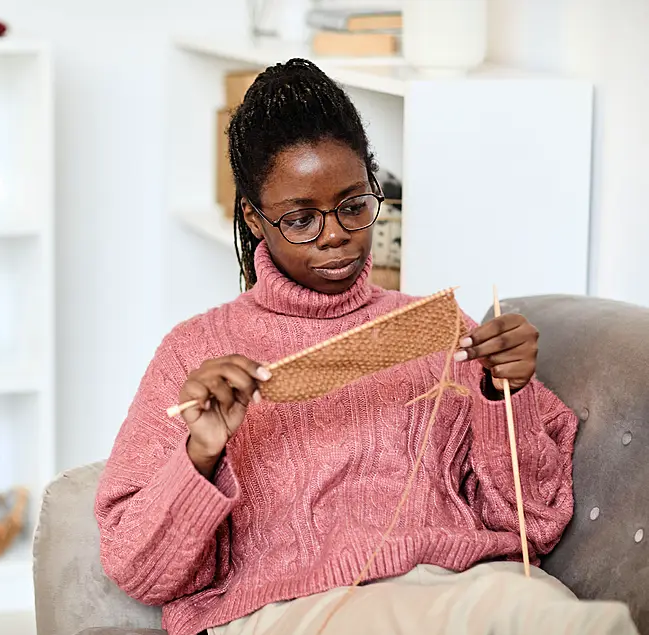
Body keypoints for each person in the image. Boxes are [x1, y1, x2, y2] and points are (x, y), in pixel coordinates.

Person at [94, 59, 638, 635]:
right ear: (255, 220)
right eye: (301, 219)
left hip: (457, 584)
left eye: (354, 205)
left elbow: (534, 524)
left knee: (586, 626)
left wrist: (505, 395)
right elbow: (138, 570)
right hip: (289, 609)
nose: (335, 234)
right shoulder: (195, 352)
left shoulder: (436, 329)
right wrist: (200, 453)